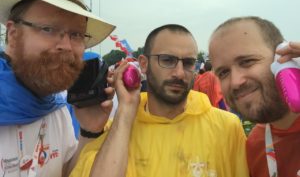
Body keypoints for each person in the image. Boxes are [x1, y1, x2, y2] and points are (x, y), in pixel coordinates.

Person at [70, 24, 249, 177]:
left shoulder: (226, 128)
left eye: (188, 63)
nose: (179, 73)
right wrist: (125, 110)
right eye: (167, 60)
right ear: (144, 64)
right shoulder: (116, 133)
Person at [0, 0, 115, 177]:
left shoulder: (56, 108)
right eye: (48, 29)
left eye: (76, 34)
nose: (67, 46)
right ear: (14, 34)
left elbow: (65, 171)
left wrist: (89, 131)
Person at [208, 16, 300, 177]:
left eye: (247, 62)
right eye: (223, 73)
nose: (236, 82)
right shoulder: (254, 145)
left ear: (283, 58)